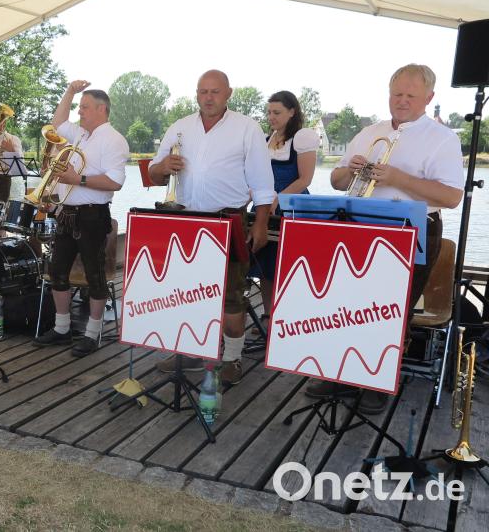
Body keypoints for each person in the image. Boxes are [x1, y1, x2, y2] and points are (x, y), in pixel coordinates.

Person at [314, 63, 464, 413]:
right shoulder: (371, 131)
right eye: (397, 93)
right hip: (360, 224)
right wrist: (348, 171)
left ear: (429, 97)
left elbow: (451, 197)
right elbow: (336, 181)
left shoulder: (443, 138)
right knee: (347, 303)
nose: (402, 100)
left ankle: (377, 380)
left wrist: (398, 178)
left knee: (392, 311)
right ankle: (340, 372)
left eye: (411, 95)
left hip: (413, 228)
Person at [148, 70, 276, 385]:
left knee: (231, 294)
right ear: (196, 93)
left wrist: (260, 223)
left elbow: (262, 182)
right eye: (203, 91)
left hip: (228, 218)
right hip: (185, 219)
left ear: (228, 93)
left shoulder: (247, 127)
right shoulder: (179, 126)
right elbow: (153, 174)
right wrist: (162, 167)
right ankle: (191, 352)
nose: (208, 97)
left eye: (215, 91)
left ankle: (232, 358)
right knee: (185, 292)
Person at [33, 80, 129, 357]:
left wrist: (78, 179)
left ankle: (92, 333)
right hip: (68, 213)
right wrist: (70, 92)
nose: (80, 112)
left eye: (85, 107)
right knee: (57, 271)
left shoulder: (114, 139)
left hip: (93, 215)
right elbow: (57, 123)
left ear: (101, 109)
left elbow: (116, 181)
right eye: (80, 107)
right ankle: (62, 328)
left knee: (94, 276)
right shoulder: (80, 135)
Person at [250, 91, 319, 321]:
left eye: (277, 112)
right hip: (264, 207)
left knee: (290, 266)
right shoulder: (266, 140)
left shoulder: (302, 138)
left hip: (292, 207)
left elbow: (305, 179)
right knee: (265, 266)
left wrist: (277, 199)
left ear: (292, 112)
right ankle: (268, 316)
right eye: (269, 112)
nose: (271, 117)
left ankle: (291, 318)